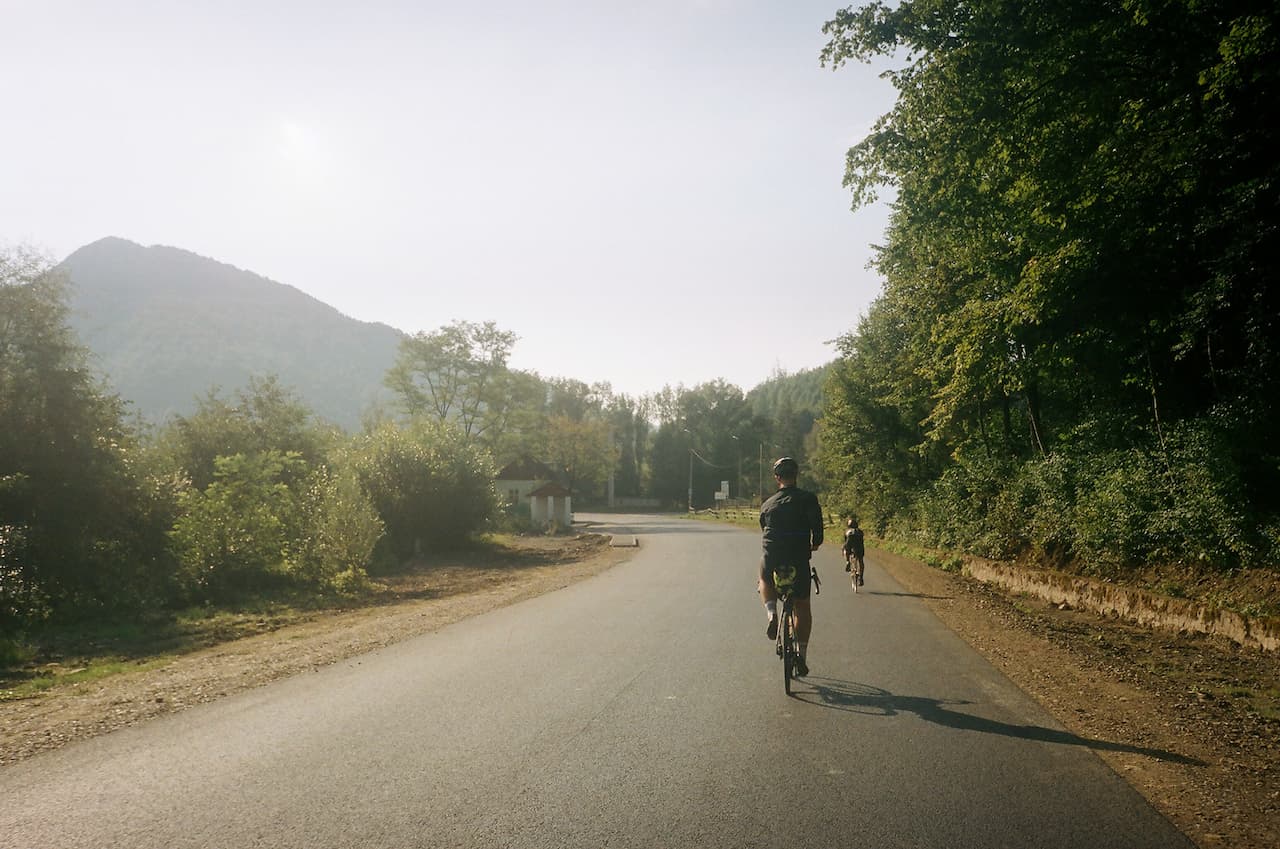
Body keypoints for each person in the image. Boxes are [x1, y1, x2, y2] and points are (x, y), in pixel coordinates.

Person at [758, 456, 823, 677]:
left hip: (773, 555)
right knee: (802, 607)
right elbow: (818, 530)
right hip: (798, 556)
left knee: (765, 578)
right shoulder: (808, 499)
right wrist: (814, 544)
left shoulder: (767, 503)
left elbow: (763, 529)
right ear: (796, 475)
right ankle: (801, 655)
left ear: (777, 478)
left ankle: (771, 613)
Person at [842, 517, 865, 587]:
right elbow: (862, 541)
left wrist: (844, 548)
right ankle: (861, 577)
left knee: (845, 549)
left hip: (850, 545)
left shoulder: (847, 531)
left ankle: (847, 562)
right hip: (859, 547)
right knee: (861, 561)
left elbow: (846, 542)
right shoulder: (860, 532)